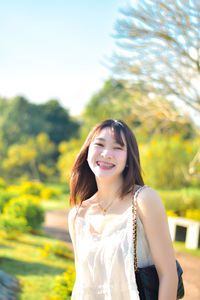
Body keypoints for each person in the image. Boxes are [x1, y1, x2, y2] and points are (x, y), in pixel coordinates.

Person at [68, 119, 178, 300]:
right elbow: (82, 285)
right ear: (87, 151)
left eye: (117, 148)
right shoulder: (78, 215)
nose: (106, 154)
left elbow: (168, 275)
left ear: (129, 158)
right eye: (99, 145)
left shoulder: (144, 200)